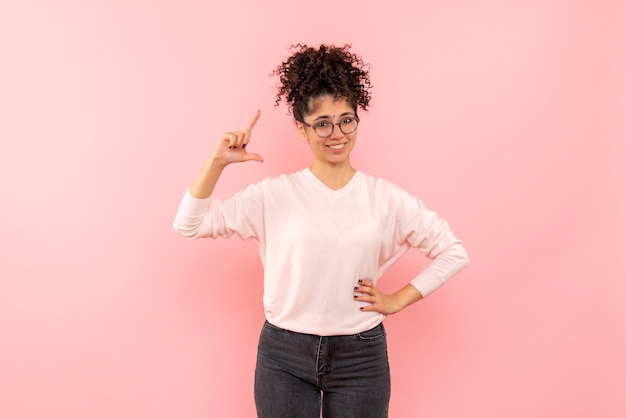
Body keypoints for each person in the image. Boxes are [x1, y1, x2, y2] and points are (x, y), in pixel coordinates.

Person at [173, 43, 469, 418]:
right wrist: (217, 162)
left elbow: (453, 252)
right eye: (322, 123)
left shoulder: (384, 198)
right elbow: (189, 224)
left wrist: (397, 300)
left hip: (361, 356)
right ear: (301, 128)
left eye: (346, 119)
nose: (337, 133)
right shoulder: (274, 195)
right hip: (284, 355)